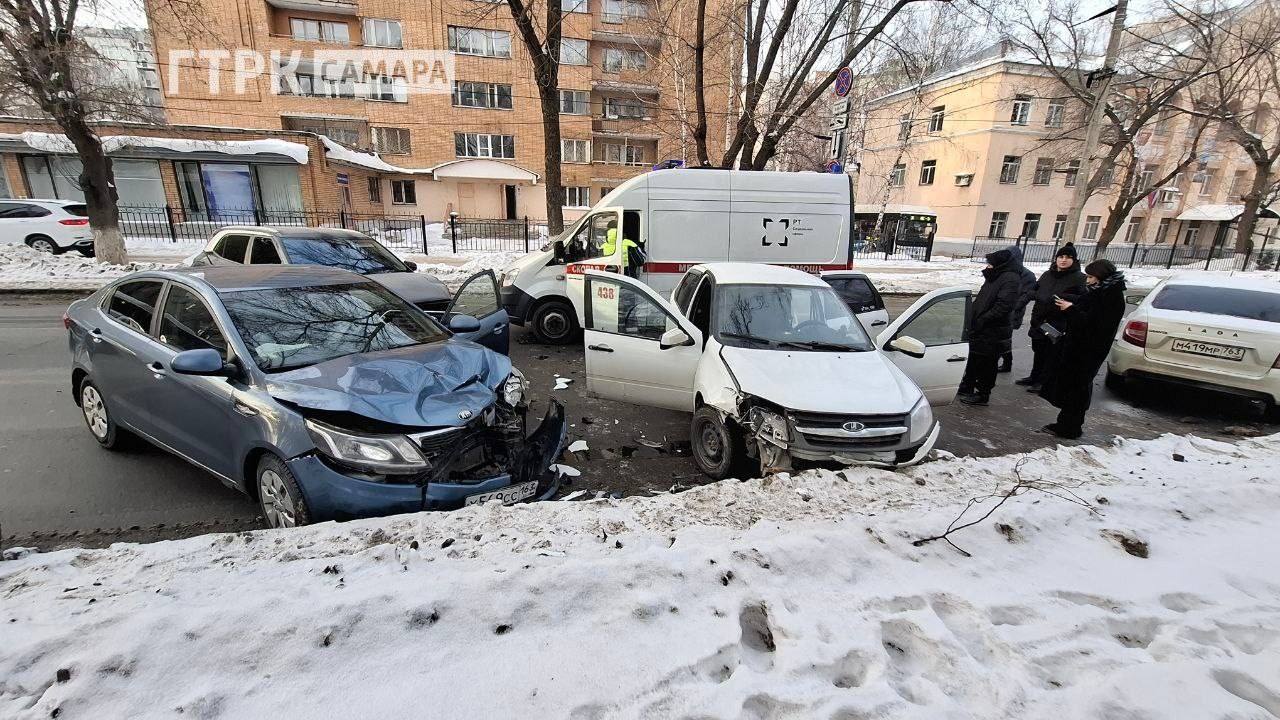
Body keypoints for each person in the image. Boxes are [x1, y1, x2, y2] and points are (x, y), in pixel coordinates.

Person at [1038, 258, 1127, 439]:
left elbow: (1093, 323)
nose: (1087, 280)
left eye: (1091, 276)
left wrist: (1070, 309)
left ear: (1101, 277)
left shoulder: (1111, 297)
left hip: (1087, 351)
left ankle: (1070, 427)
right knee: (1073, 387)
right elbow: (1088, 309)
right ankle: (1065, 423)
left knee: (1077, 388)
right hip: (1079, 347)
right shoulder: (1102, 291)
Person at [1017, 242, 1087, 391]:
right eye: (1061, 256)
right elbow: (1034, 290)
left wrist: (1065, 297)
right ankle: (1034, 376)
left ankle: (1044, 382)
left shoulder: (1079, 277)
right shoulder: (1047, 274)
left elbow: (1083, 299)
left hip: (1058, 322)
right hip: (1039, 319)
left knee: (1051, 353)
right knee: (1038, 349)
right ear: (1056, 259)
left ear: (1074, 260)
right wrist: (1021, 302)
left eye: (1068, 257)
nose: (1063, 260)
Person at [958, 249, 1021, 406]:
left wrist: (983, 320)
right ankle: (968, 385)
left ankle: (983, 393)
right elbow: (982, 299)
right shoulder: (994, 277)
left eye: (991, 264)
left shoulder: (1010, 279)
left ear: (1001, 264)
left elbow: (1003, 306)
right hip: (981, 326)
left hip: (993, 329)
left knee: (988, 363)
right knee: (974, 357)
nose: (988, 266)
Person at [1000, 244, 1037, 373]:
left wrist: (1011, 307)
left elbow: (1026, 296)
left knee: (1005, 338)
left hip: (1013, 312)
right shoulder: (1003, 271)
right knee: (1002, 338)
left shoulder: (1027, 275)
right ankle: (1006, 363)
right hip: (1001, 310)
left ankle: (1007, 363)